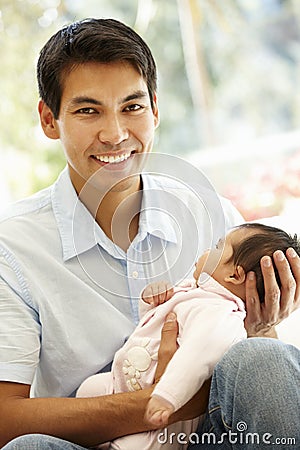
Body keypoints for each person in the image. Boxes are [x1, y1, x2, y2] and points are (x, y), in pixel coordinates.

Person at [0, 17, 299, 450]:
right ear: (50, 119)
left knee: (265, 358)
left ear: (155, 110)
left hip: (207, 439)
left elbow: (254, 377)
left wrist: (263, 326)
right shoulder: (13, 248)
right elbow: (6, 418)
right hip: (97, 445)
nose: (115, 134)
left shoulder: (213, 216)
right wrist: (159, 401)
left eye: (132, 107)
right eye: (88, 110)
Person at [76, 222, 300, 450]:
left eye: (217, 246)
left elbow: (196, 358)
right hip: (124, 382)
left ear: (234, 275)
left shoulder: (222, 315)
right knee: (88, 389)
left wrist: (167, 396)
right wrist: (153, 302)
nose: (207, 250)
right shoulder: (196, 292)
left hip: (166, 413)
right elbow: (154, 324)